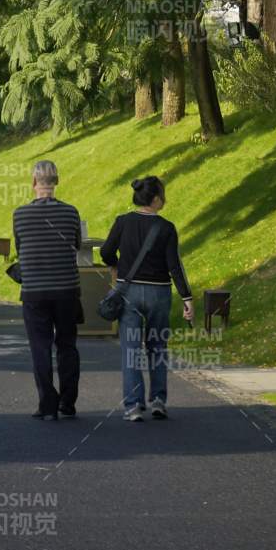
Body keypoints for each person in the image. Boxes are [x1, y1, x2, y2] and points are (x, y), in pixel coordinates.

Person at [100, 175, 193, 422]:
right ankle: (159, 401)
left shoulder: (122, 222)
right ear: (155, 199)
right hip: (158, 292)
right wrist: (187, 297)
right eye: (162, 195)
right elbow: (175, 266)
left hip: (128, 293)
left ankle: (133, 406)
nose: (165, 199)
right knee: (157, 347)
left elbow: (106, 251)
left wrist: (116, 266)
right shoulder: (166, 227)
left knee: (130, 350)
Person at [12, 161, 82, 421]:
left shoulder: (20, 215)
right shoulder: (71, 213)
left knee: (40, 348)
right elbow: (77, 245)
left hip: (34, 292)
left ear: (33, 183)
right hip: (67, 290)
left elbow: (21, 248)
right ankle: (68, 402)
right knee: (67, 345)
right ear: (57, 181)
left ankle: (47, 404)